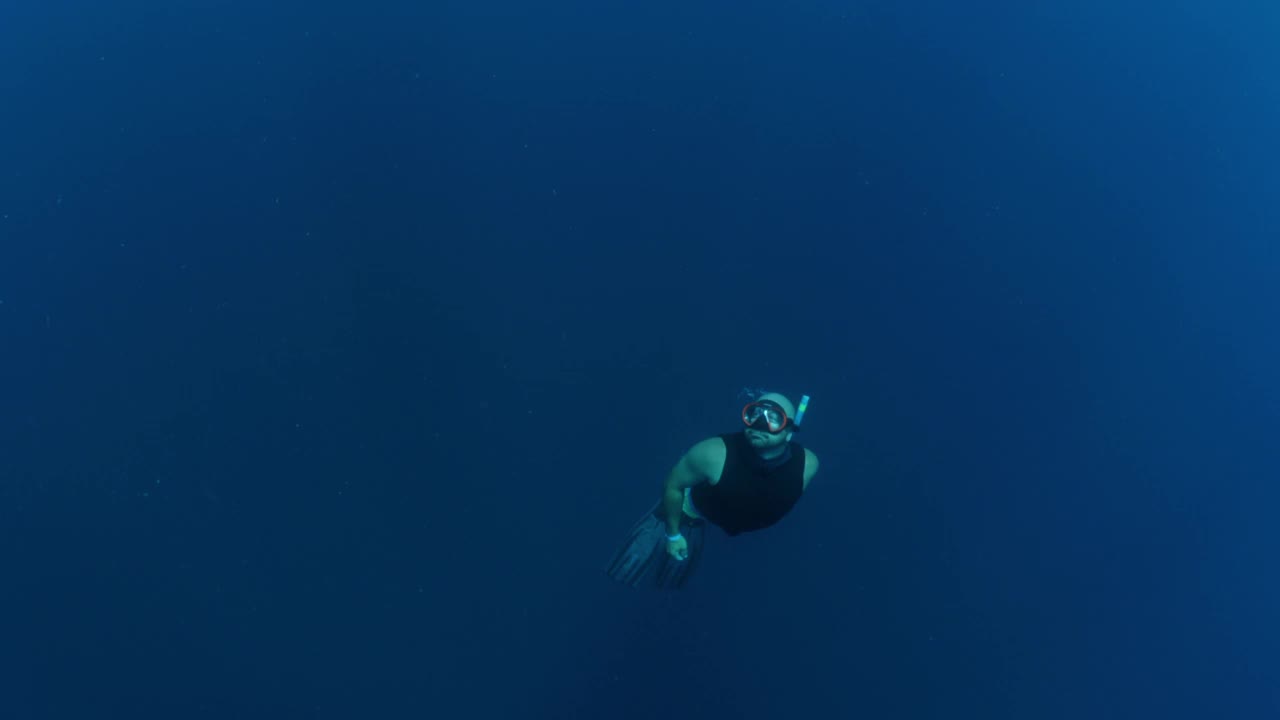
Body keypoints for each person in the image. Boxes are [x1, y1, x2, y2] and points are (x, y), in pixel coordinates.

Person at [604, 391, 820, 589]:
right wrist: (672, 534)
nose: (760, 423)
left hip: (722, 518)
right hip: (690, 513)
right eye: (754, 414)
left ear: (790, 431)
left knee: (670, 589)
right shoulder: (712, 454)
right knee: (622, 577)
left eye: (774, 417)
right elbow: (673, 484)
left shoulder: (808, 465)